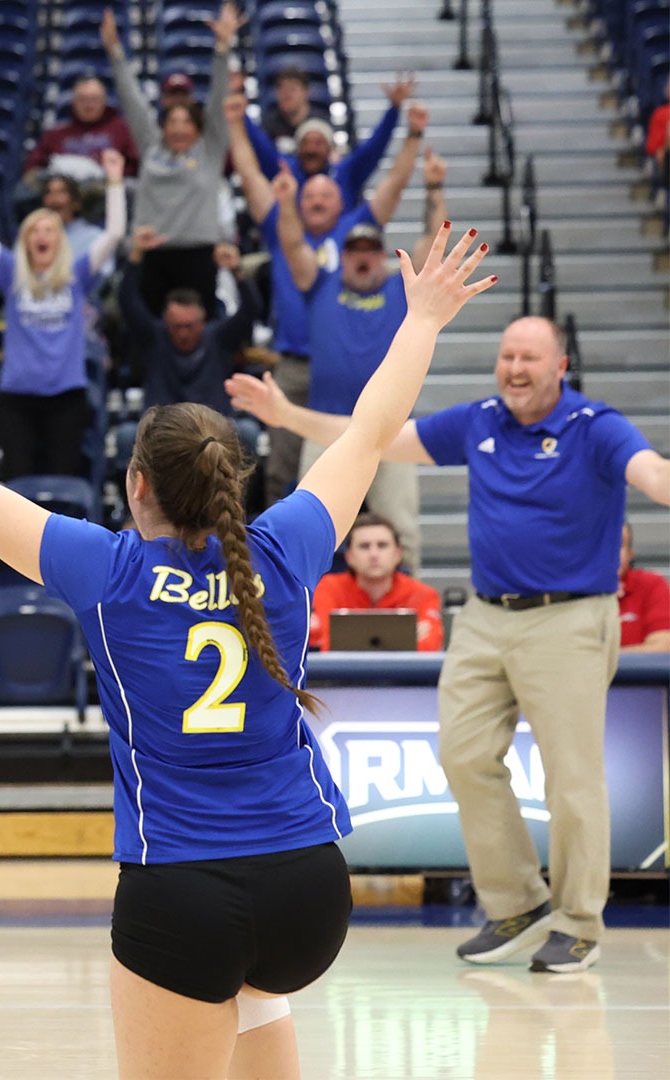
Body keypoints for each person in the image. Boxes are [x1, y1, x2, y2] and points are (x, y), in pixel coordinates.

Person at [0, 224, 495, 1080]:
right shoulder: (286, 547)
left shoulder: (110, 571)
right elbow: (369, 431)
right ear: (232, 484)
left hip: (184, 888)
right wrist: (422, 319)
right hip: (309, 888)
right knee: (256, 1008)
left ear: (137, 485)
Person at [230, 310, 670, 974]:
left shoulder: (595, 427)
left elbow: (652, 474)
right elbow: (378, 436)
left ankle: (578, 922)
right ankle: (517, 904)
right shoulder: (479, 421)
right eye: (507, 356)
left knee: (572, 778)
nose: (514, 369)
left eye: (529, 358)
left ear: (560, 367)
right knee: (462, 755)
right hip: (488, 617)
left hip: (571, 618)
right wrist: (288, 416)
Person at [227, 91, 430, 501]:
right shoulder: (281, 223)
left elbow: (392, 187)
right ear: (299, 200)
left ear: (342, 201)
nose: (317, 201)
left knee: (356, 467)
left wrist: (412, 136)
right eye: (310, 196)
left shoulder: (358, 229)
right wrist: (234, 122)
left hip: (345, 367)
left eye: (326, 196)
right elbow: (249, 174)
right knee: (285, 469)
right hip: (292, 363)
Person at [274, 153, 441, 571]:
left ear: (383, 255)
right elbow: (292, 245)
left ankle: (412, 608)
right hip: (326, 425)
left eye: (370, 249)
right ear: (343, 256)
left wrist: (435, 188)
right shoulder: (321, 285)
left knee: (402, 530)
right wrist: (287, 203)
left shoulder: (403, 289)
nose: (362, 257)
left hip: (391, 429)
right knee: (309, 526)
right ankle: (306, 606)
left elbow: (433, 240)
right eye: (354, 250)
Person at [0, 129, 125, 481]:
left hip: (66, 397)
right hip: (16, 397)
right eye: (34, 231)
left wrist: (115, 181)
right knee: (15, 481)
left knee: (61, 482)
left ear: (59, 240)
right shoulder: (11, 273)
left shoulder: (77, 275)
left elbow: (114, 233)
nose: (42, 236)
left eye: (49, 230)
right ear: (25, 239)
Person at [104, 4, 240, 316]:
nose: (179, 129)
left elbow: (219, 98)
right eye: (172, 122)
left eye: (186, 122)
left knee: (197, 331)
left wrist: (223, 48)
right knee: (149, 333)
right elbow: (132, 100)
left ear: (198, 128)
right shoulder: (151, 146)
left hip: (198, 255)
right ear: (163, 127)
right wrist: (115, 52)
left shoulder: (210, 150)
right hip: (152, 254)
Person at [118, 228, 261, 420]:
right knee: (127, 434)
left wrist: (237, 269)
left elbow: (251, 309)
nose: (183, 334)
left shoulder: (218, 338)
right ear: (166, 322)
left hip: (213, 428)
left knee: (247, 430)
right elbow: (128, 301)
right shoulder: (154, 337)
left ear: (203, 321)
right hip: (162, 429)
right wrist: (135, 255)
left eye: (189, 326)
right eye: (177, 326)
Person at [246, 74, 415, 213]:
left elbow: (373, 148)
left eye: (319, 143)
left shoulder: (345, 172)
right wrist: (241, 116)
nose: (311, 149)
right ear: (297, 149)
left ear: (330, 149)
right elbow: (261, 148)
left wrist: (394, 110)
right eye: (306, 143)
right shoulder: (286, 171)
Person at [308, 513, 444, 651]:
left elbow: (429, 647)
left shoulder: (422, 594)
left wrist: (348, 637)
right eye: (364, 546)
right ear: (349, 556)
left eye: (382, 545)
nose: (373, 554)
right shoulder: (328, 588)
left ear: (398, 554)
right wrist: (403, 638)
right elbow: (323, 645)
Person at [21, 75, 142, 180]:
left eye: (95, 99)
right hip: (65, 192)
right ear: (73, 101)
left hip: (108, 190)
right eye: (83, 99)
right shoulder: (55, 134)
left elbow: (137, 167)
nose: (89, 105)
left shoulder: (121, 129)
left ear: (104, 101)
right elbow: (32, 170)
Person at [619, 521, 670, 652]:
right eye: (600, 544)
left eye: (618, 544)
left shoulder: (651, 585)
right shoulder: (570, 590)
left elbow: (663, 648)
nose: (608, 552)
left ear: (630, 554)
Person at [260, 67, 320, 149]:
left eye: (292, 89)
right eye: (282, 89)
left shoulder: (320, 124)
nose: (287, 95)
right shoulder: (268, 124)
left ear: (306, 93)